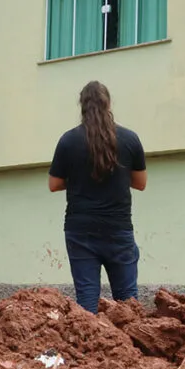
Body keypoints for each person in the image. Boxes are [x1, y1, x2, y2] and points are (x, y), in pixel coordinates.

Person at [48, 81, 147, 314]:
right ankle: (130, 349)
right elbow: (140, 184)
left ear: (82, 106)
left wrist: (79, 178)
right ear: (109, 104)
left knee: (87, 304)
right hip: (118, 229)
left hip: (80, 231)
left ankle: (87, 348)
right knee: (128, 305)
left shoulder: (68, 141)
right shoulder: (129, 139)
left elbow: (54, 184)